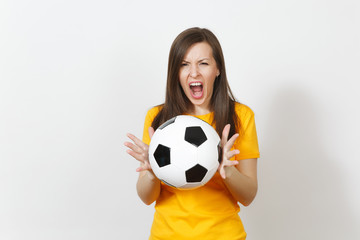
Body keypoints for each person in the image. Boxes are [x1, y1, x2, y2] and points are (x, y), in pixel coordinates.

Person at [124, 27, 260, 240]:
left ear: (218, 69)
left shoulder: (241, 116)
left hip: (224, 235)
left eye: (203, 63)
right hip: (166, 235)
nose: (194, 73)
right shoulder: (157, 118)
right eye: (184, 65)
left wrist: (228, 171)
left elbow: (249, 196)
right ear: (176, 72)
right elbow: (146, 198)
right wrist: (150, 171)